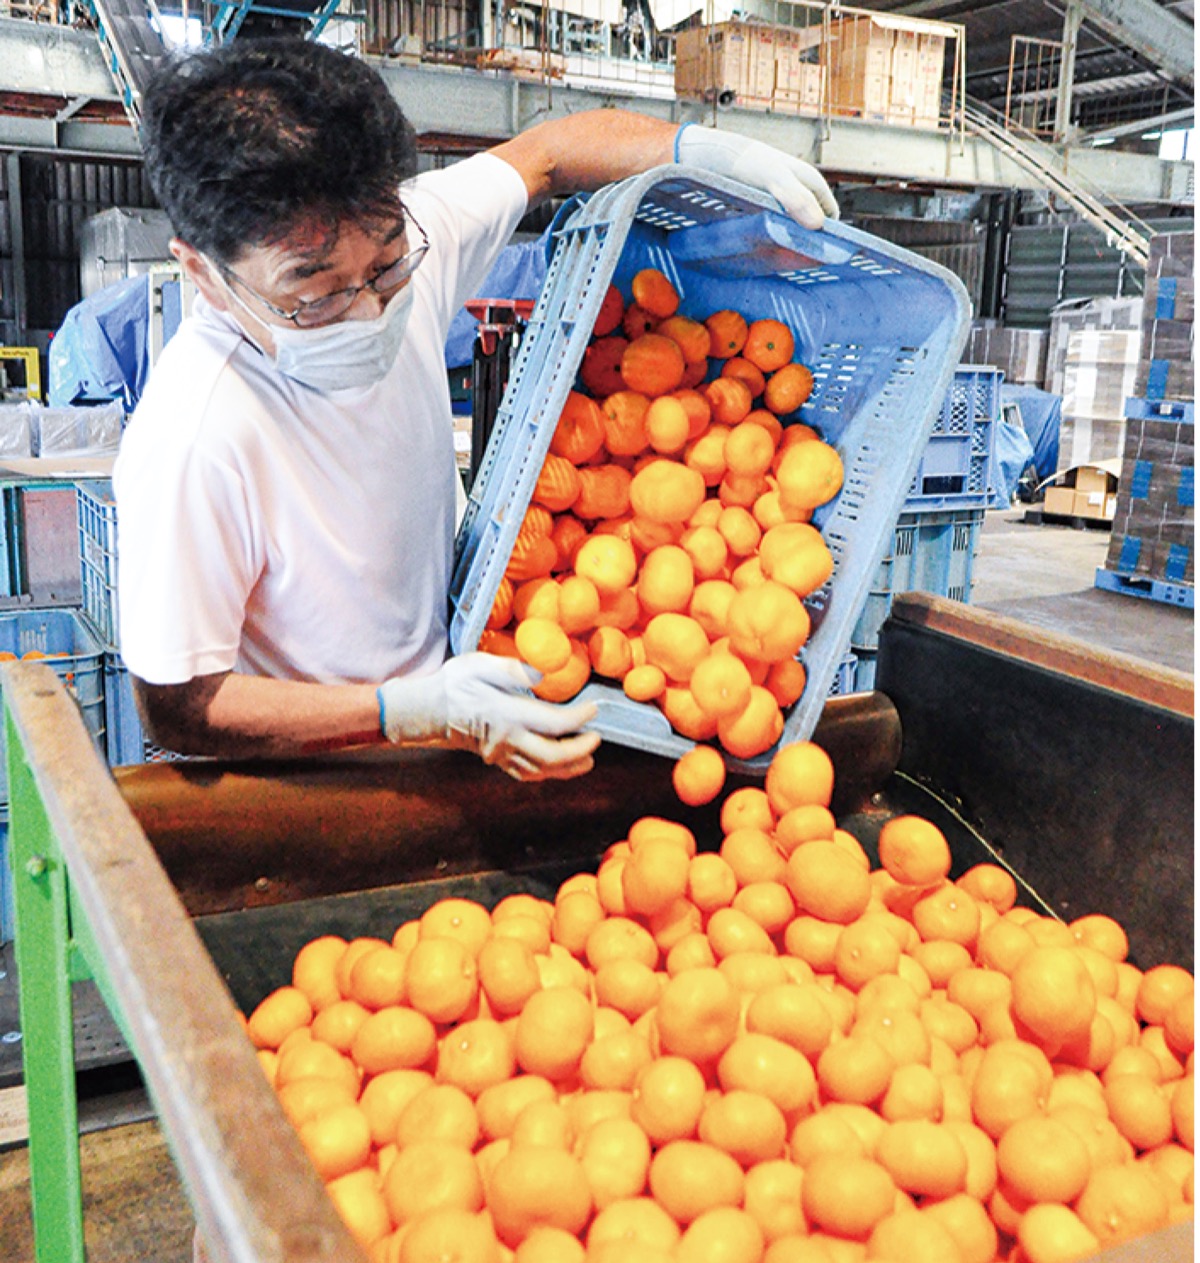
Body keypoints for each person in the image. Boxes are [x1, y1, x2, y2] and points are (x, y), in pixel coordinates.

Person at [115, 37, 838, 783]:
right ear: (201, 270)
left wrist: (696, 148)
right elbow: (177, 706)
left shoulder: (390, 236)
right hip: (331, 775)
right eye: (315, 291)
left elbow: (551, 152)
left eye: (385, 264)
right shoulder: (195, 437)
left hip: (469, 703)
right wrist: (401, 710)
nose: (368, 307)